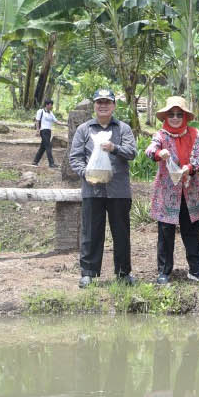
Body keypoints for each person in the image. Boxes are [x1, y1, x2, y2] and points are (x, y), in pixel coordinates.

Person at [68, 89, 137, 287]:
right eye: (99, 102)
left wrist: (114, 148)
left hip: (119, 191)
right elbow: (76, 158)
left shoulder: (123, 129)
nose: (103, 105)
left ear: (114, 105)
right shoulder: (84, 129)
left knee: (121, 233)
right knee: (91, 232)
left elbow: (132, 152)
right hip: (92, 190)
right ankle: (88, 273)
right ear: (94, 105)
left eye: (107, 102)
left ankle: (123, 273)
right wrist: (86, 174)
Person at [146, 96, 199, 284]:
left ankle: (196, 270)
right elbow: (149, 150)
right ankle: (164, 271)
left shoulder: (194, 133)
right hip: (167, 192)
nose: (174, 118)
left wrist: (188, 168)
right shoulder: (161, 135)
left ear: (185, 117)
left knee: (192, 231)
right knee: (166, 232)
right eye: (171, 114)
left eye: (178, 114)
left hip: (189, 190)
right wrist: (159, 153)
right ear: (166, 116)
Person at [32, 99, 57, 167]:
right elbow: (37, 121)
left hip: (48, 131)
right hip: (43, 131)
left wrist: (66, 124)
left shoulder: (51, 113)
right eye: (51, 105)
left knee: (43, 147)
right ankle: (51, 163)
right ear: (47, 105)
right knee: (48, 146)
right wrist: (37, 130)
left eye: (52, 105)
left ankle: (35, 161)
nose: (51, 106)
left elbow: (56, 121)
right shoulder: (41, 111)